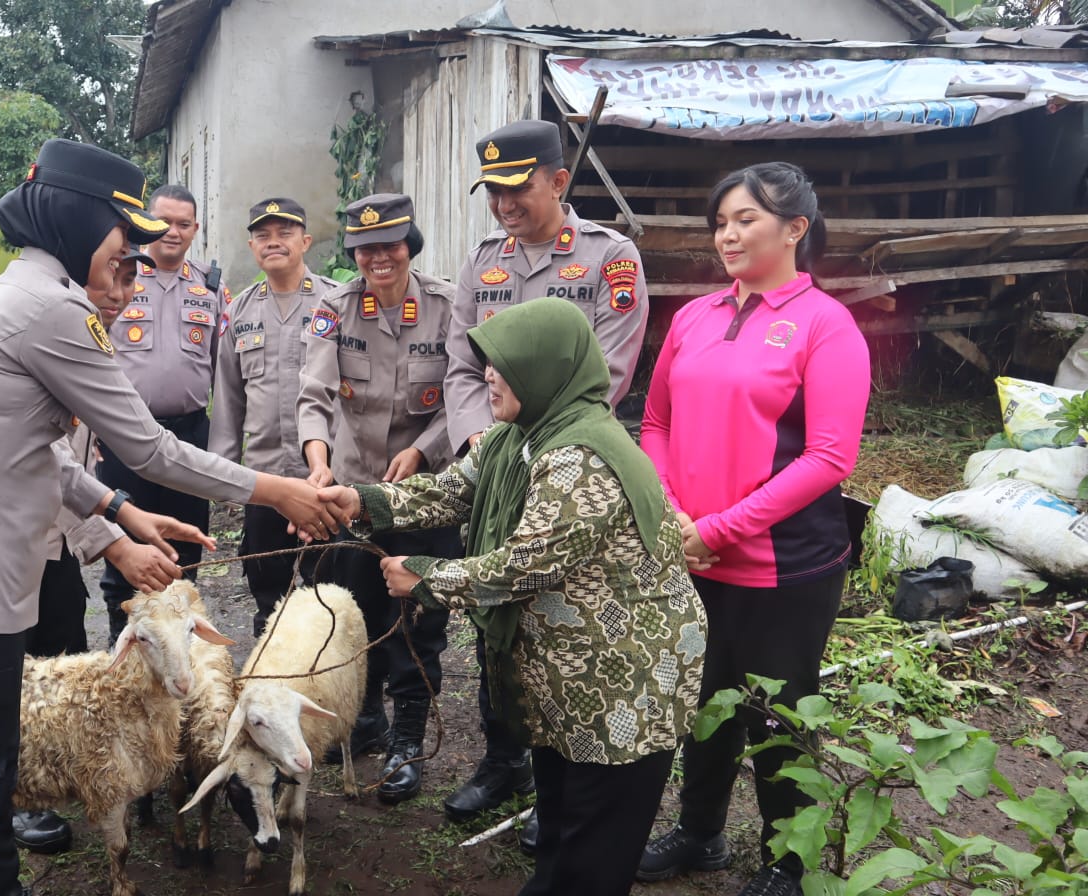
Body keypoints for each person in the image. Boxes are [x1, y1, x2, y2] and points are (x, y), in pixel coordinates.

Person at [0, 138, 340, 896]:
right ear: (81, 222)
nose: (131, 265)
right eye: (125, 247)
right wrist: (279, 491)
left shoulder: (12, 291)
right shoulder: (51, 308)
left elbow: (39, 450)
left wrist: (117, 511)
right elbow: (152, 447)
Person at [317, 297, 705, 896]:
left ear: (545, 369)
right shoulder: (516, 438)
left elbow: (525, 565)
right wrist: (365, 502)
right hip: (569, 681)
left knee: (595, 848)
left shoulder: (581, 458)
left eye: (503, 363)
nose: (488, 375)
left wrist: (425, 576)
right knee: (560, 822)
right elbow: (451, 490)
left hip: (621, 688)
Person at [636, 162, 869, 896]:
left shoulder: (827, 326)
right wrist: (673, 512)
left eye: (747, 220)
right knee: (703, 706)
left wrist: (723, 527)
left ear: (796, 228)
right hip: (692, 552)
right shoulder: (694, 318)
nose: (727, 234)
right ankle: (700, 833)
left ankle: (788, 862)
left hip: (783, 566)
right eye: (722, 220)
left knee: (778, 717)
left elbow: (830, 455)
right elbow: (656, 420)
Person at [440, 119, 652, 839]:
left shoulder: (608, 259)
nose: (503, 204)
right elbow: (462, 366)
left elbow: (607, 374)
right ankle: (503, 760)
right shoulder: (482, 262)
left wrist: (521, 442)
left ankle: (553, 780)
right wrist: (482, 443)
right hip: (496, 468)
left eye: (517, 188)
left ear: (559, 182)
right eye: (492, 191)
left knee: (559, 623)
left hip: (570, 466)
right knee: (492, 610)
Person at [297, 193, 458, 804]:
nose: (377, 258)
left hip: (424, 493)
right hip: (352, 491)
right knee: (354, 608)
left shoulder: (446, 306)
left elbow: (462, 393)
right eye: (365, 249)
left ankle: (408, 739)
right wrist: (318, 461)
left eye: (389, 244)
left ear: (409, 244)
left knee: (417, 616)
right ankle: (365, 721)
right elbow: (313, 394)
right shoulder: (333, 308)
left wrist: (422, 449)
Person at [12, 244, 171, 856]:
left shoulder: (88, 338)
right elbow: (42, 467)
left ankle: (55, 780)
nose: (121, 292)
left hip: (59, 542)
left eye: (131, 279)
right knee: (15, 679)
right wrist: (117, 542)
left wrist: (122, 516)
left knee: (63, 659)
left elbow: (73, 466)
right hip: (9, 543)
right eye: (112, 276)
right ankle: (12, 800)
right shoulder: (43, 332)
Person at [96, 183, 226, 644]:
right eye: (165, 221)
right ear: (148, 223)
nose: (173, 231)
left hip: (189, 434)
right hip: (123, 436)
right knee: (124, 548)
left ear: (196, 229)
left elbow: (221, 369)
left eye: (184, 224)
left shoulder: (211, 289)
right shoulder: (121, 277)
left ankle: (179, 651)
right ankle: (123, 648)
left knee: (186, 550)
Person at [210, 197, 340, 635]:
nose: (274, 242)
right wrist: (226, 470)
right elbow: (227, 396)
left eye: (284, 233)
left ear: (304, 241)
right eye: (263, 235)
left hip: (324, 478)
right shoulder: (240, 310)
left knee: (329, 590)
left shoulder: (335, 303)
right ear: (251, 247)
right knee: (268, 593)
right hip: (264, 479)